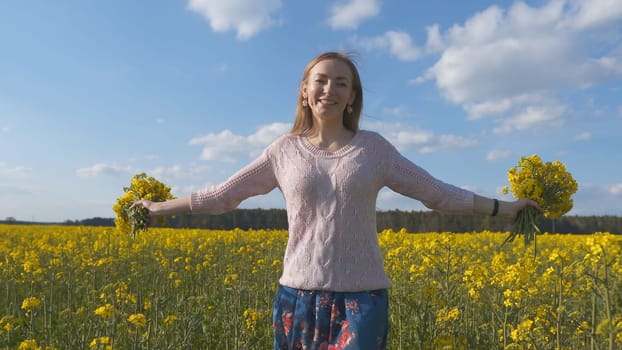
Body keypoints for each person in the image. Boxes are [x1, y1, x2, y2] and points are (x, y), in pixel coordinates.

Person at [133, 51, 540, 350]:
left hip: (362, 301)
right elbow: (223, 197)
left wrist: (505, 209)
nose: (330, 89)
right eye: (322, 80)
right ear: (305, 92)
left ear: (352, 97)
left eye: (341, 83)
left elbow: (436, 193)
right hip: (297, 296)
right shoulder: (282, 151)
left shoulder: (374, 150)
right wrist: (157, 207)